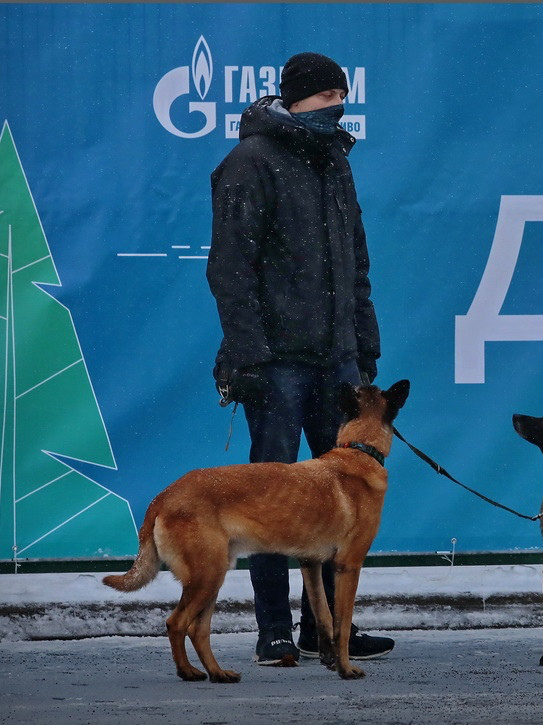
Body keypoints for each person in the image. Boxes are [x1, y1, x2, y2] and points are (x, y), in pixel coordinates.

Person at [206, 51, 394, 666]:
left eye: (343, 96)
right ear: (296, 99)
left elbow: (358, 265)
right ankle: (274, 630)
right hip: (277, 362)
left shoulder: (336, 161)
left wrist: (363, 348)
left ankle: (329, 629)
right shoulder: (250, 162)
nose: (336, 106)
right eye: (326, 97)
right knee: (272, 500)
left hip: (336, 358)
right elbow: (231, 270)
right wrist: (250, 357)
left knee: (337, 496)